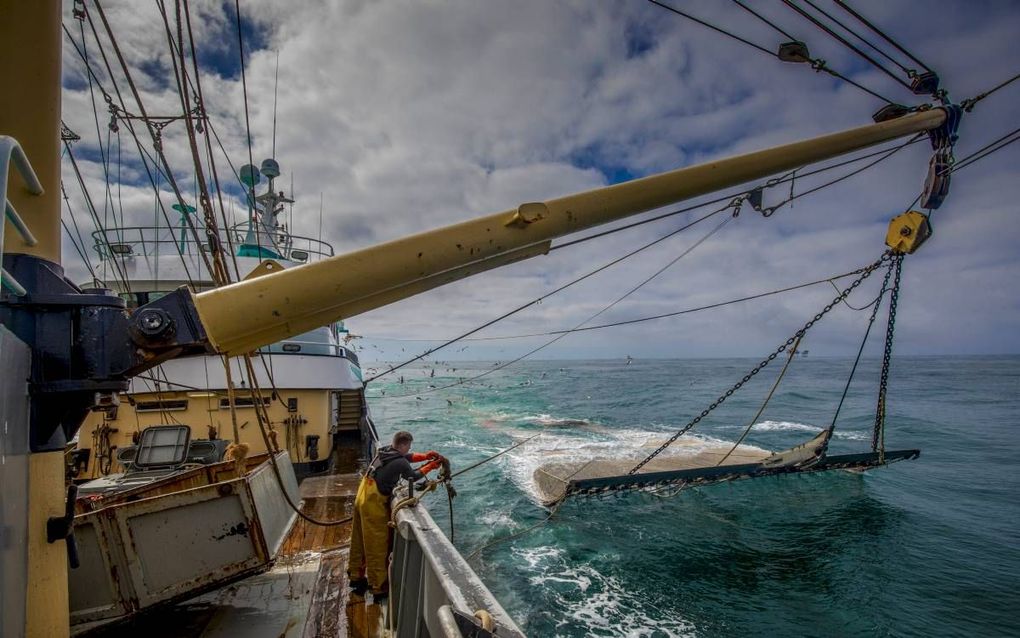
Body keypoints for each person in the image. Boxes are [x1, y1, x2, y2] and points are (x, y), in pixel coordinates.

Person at [348, 430, 445, 600]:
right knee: (377, 545)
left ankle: (356, 576)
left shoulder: (385, 451)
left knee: (359, 540)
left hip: (362, 495)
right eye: (408, 446)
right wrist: (431, 466)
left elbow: (407, 458)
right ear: (403, 445)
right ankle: (378, 587)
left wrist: (425, 456)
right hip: (373, 503)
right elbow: (413, 476)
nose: (409, 449)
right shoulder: (399, 461)